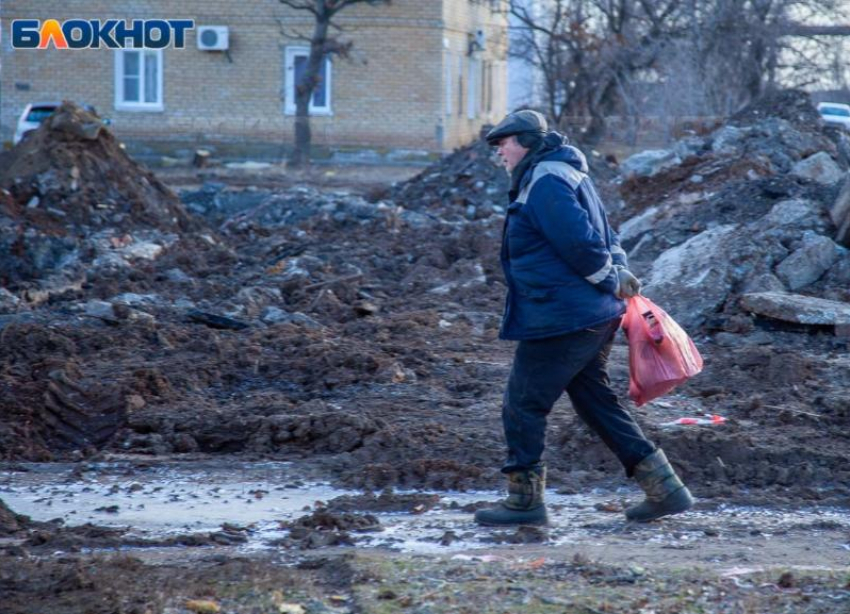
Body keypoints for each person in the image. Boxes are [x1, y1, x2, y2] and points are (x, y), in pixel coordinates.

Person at [474, 110, 693, 526]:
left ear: (525, 142)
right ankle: (665, 489)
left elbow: (581, 243)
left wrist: (609, 276)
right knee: (596, 404)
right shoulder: (567, 174)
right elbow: (609, 237)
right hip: (588, 312)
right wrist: (616, 272)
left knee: (522, 403)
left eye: (503, 142)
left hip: (564, 316)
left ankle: (524, 503)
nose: (499, 151)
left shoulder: (546, 181)